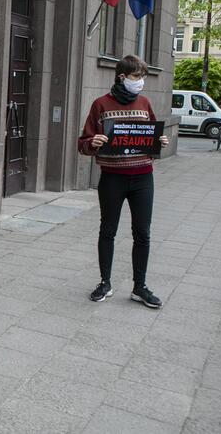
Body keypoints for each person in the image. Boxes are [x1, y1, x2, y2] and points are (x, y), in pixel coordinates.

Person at [78, 55, 169, 308]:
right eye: (137, 76)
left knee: (142, 233)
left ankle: (140, 287)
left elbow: (152, 135)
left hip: (142, 178)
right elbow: (83, 142)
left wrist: (159, 142)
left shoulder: (145, 103)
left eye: (142, 77)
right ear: (122, 77)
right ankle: (105, 282)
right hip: (112, 179)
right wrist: (91, 143)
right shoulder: (101, 105)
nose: (140, 82)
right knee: (108, 230)